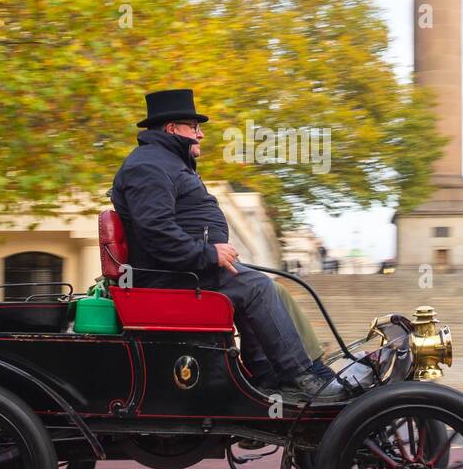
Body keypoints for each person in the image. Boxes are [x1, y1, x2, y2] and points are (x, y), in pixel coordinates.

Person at [111, 89, 345, 401]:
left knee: (264, 286)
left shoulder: (166, 163)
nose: (201, 134)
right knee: (255, 287)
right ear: (172, 129)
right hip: (169, 277)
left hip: (183, 270)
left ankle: (270, 379)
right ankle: (300, 378)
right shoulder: (150, 166)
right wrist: (208, 253)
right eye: (194, 127)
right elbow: (156, 230)